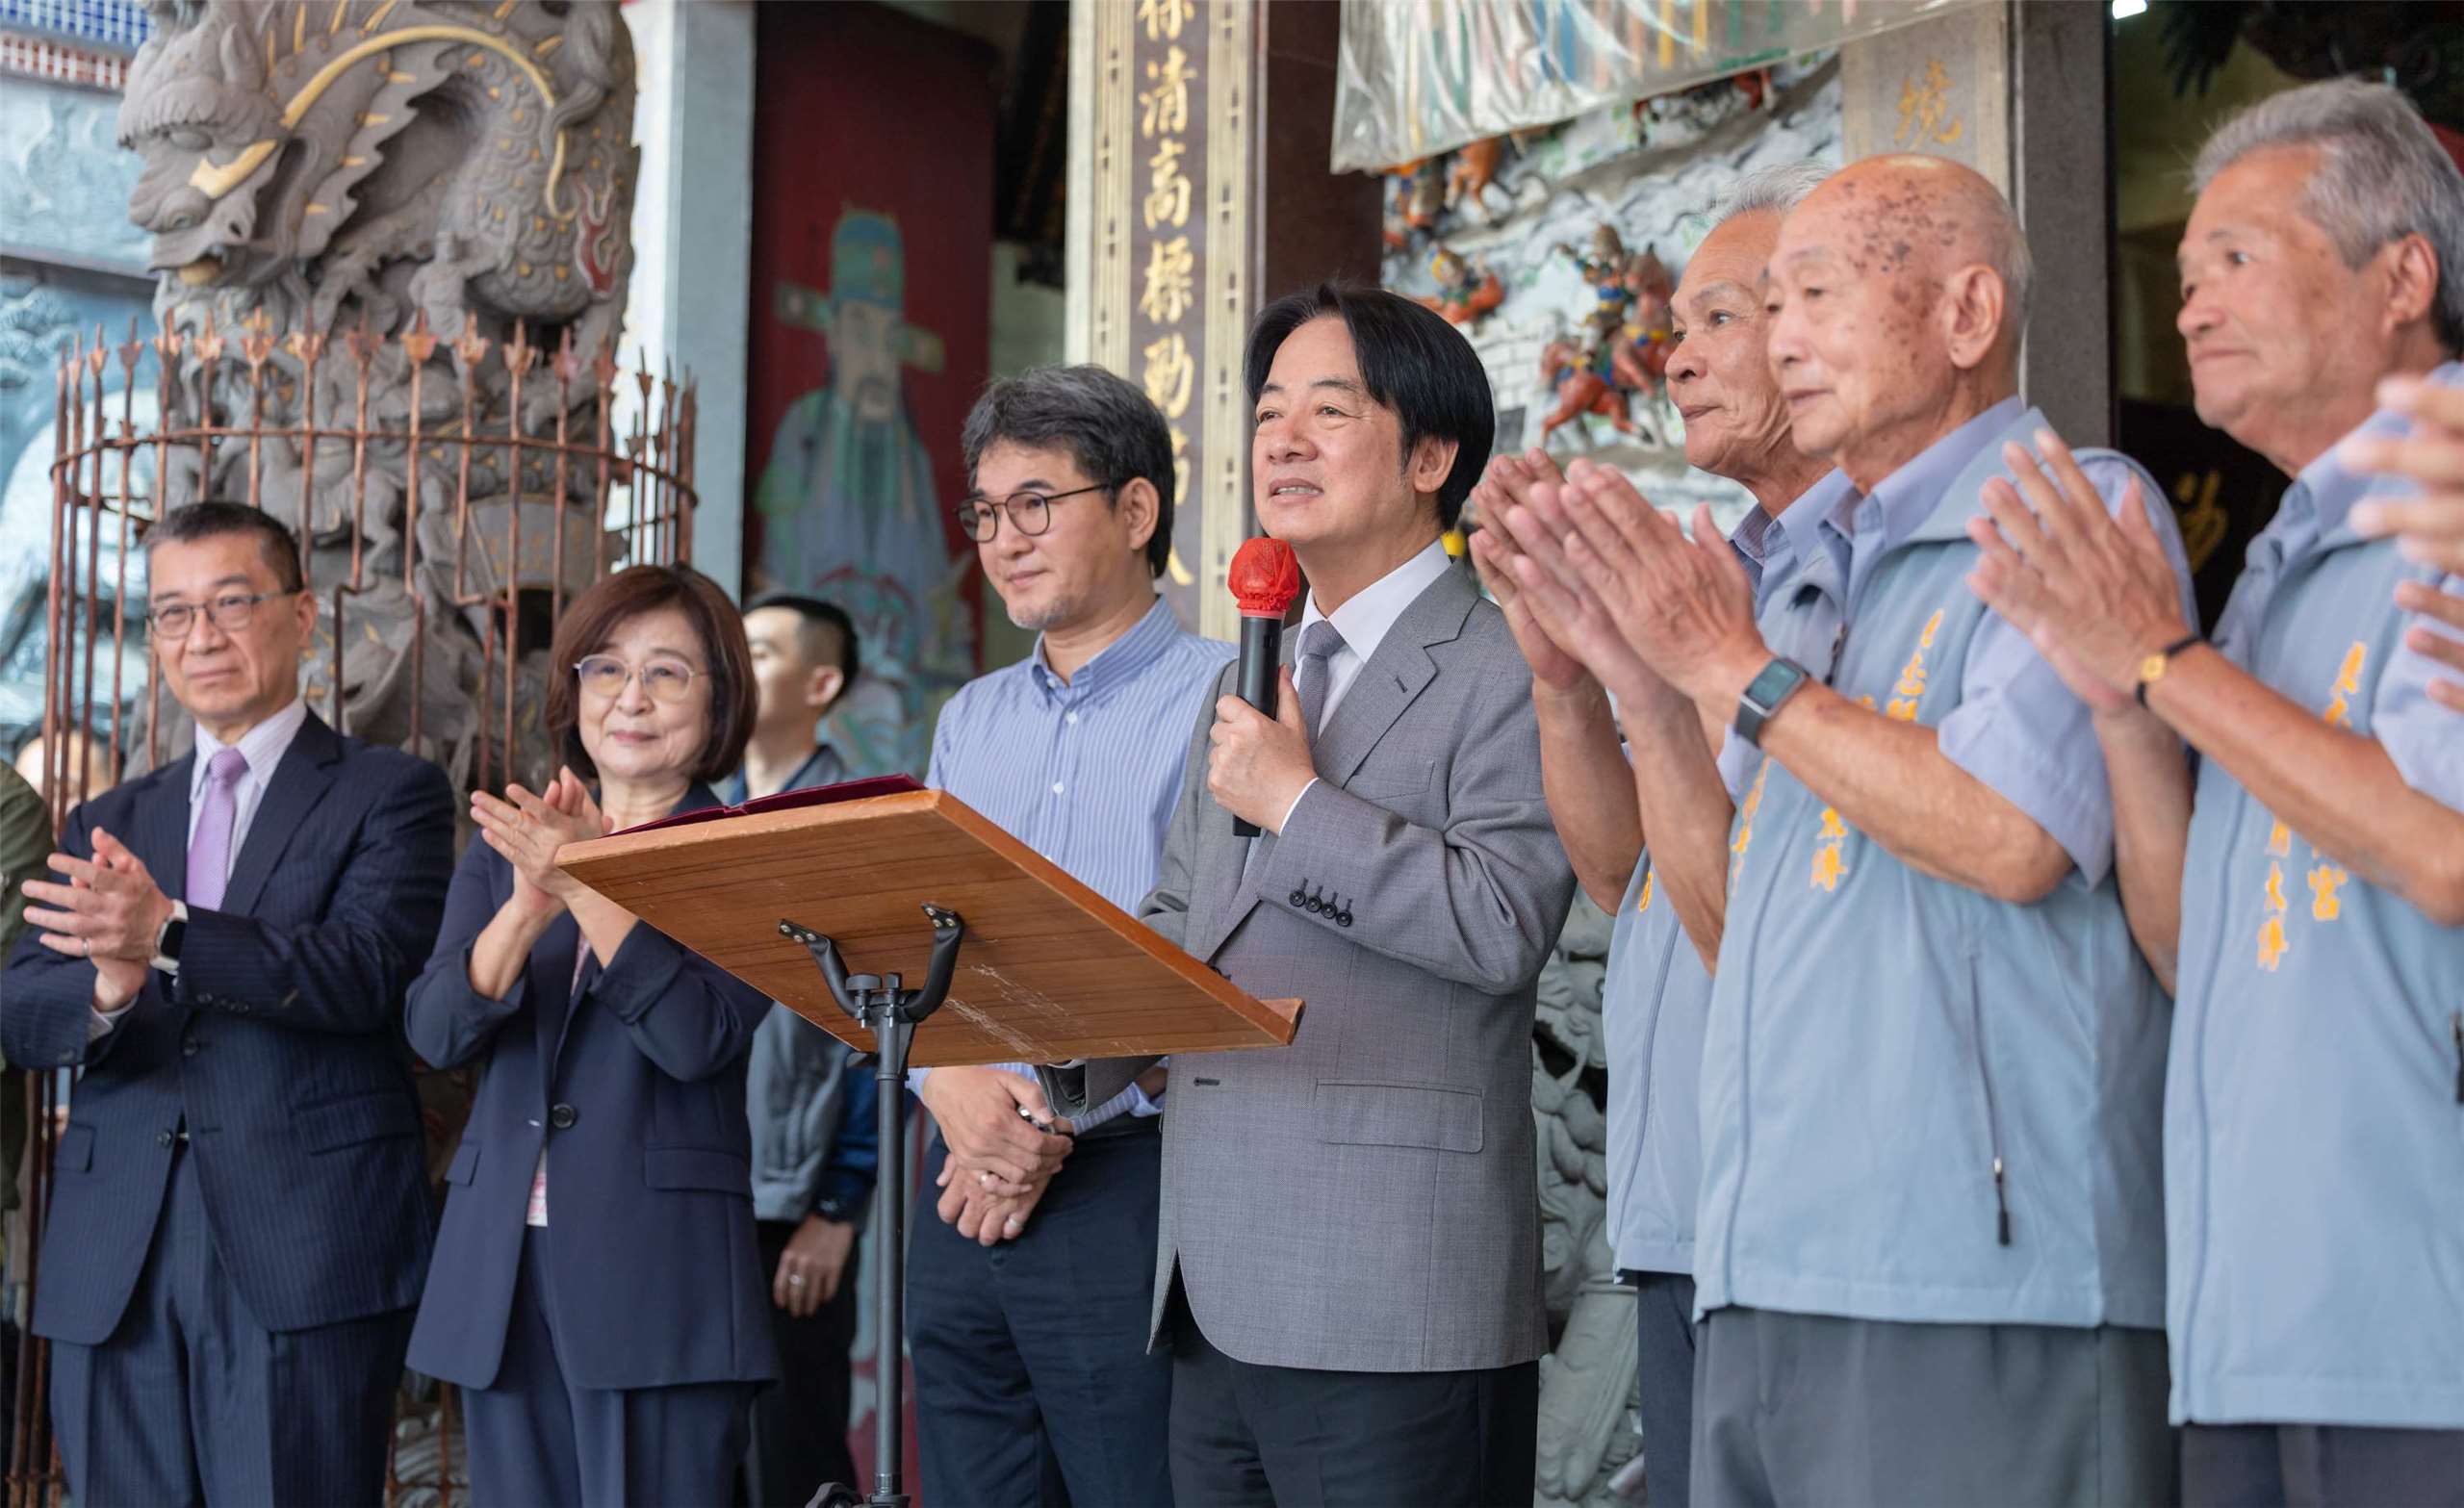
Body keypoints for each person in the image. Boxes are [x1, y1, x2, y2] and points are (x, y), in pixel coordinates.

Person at [1547, 157, 2193, 1505]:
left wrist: (1735, 676)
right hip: (1762, 1257)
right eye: (1770, 302)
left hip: (1975, 1280)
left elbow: (2015, 835)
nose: (1781, 337)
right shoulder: (1794, 579)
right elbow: (1726, 924)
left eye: (1817, 294)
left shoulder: (2074, 509)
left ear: (1964, 317)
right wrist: (1641, 688)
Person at [1968, 80, 2464, 1504]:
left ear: (2403, 276)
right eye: (2182, 276)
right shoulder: (2282, 559)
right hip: (2254, 1322)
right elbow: (2201, 948)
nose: (2188, 308)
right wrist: (2125, 707)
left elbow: (2438, 851)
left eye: (2235, 259)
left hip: (2419, 1325)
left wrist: (2164, 658)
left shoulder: (2447, 506)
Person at [1042, 284, 1576, 1503]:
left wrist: (1295, 800)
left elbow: (1501, 922)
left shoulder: (1510, 660)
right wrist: (1061, 1049)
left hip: (1394, 1290)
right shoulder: (1252, 662)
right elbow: (1187, 918)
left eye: (1327, 411)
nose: (1279, 439)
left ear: (1432, 454)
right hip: (1212, 1287)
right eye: (1268, 408)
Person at [1466, 161, 1840, 1508]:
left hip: (1821, 1202)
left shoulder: (1862, 560)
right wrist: (1567, 676)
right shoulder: (1718, 564)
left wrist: (1667, 662)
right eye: (1673, 328)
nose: (1675, 360)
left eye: (1721, 320)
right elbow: (1629, 878)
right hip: (1681, 1189)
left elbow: (1764, 915)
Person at [1, 501, 452, 1506]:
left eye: (231, 603)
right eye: (172, 613)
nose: (200, 636)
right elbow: (25, 1007)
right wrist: (114, 984)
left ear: (301, 614)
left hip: (302, 1243)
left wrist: (162, 935)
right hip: (117, 1250)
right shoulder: (113, 816)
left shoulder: (390, 792)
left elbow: (365, 969)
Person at [906, 364, 1229, 1507]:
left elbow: (1215, 951)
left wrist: (1044, 1115)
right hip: (956, 1170)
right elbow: (916, 945)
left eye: (1037, 502)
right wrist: (950, 1090)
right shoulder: (969, 718)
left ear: (1136, 512)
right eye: (987, 513)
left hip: (1132, 1178)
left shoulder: (1230, 699)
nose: (1004, 538)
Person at [403, 564, 778, 1506]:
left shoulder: (746, 861)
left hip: (660, 1278)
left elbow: (696, 1039)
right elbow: (436, 1031)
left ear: (720, 700)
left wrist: (586, 886)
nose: (631, 698)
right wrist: (529, 906)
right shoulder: (516, 843)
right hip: (502, 1269)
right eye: (605, 669)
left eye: (667, 673)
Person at [729, 592, 877, 1506]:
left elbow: (881, 1031)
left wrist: (839, 1204)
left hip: (794, 1200)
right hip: (702, 1182)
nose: (733, 666)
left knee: (792, 1453)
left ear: (821, 682)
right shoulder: (701, 811)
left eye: (759, 650)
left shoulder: (852, 827)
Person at [726, 592, 861, 803]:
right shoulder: (708, 808)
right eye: (733, 656)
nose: (733, 670)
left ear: (822, 686)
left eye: (757, 655)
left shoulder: (864, 810)